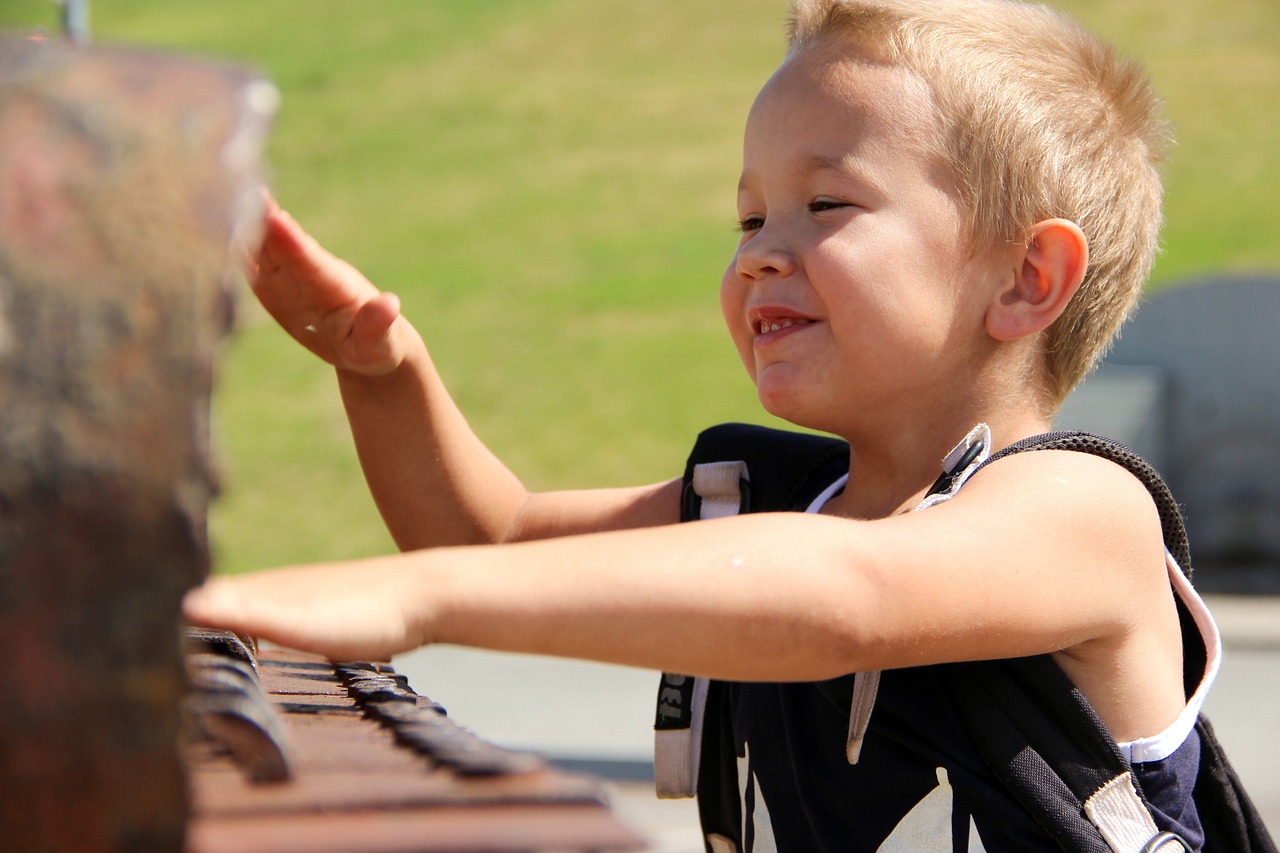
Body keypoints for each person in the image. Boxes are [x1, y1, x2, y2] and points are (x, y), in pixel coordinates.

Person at [184, 0, 1211, 848]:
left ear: (1026, 279)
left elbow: (850, 594)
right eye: (748, 216)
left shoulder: (1079, 510)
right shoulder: (761, 504)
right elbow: (487, 541)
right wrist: (381, 369)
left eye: (826, 205)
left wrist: (416, 598)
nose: (763, 251)